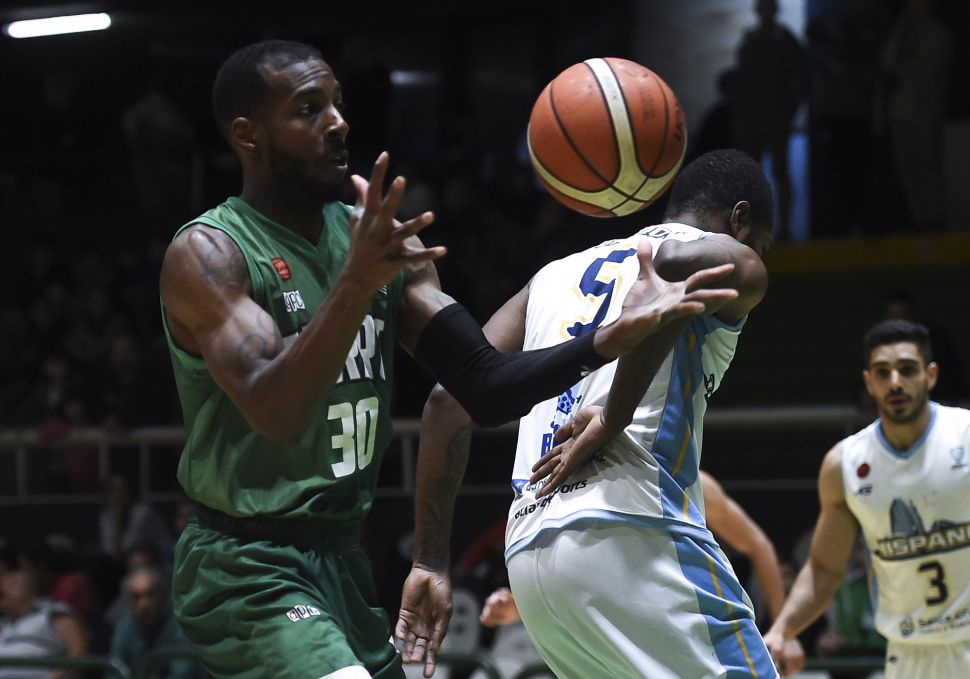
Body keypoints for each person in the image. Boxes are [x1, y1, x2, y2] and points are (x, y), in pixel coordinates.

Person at [159, 39, 736, 679]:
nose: (338, 122)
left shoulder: (375, 242)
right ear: (248, 135)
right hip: (245, 562)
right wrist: (355, 284)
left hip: (342, 558)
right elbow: (275, 411)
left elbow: (481, 386)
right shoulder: (211, 254)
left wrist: (607, 340)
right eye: (308, 109)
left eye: (338, 103)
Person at [400, 149, 786, 678]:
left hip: (531, 558)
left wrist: (428, 560)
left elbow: (448, 400)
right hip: (634, 525)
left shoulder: (551, 277)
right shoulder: (714, 256)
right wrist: (613, 414)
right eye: (761, 244)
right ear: (740, 220)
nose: (756, 256)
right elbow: (679, 263)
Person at [764, 319, 970, 677]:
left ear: (931, 375)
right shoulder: (844, 464)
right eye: (883, 372)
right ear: (869, 382)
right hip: (908, 653)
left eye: (908, 370)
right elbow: (825, 569)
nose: (895, 382)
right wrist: (782, 629)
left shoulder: (965, 435)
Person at [731, 0, 805, 242]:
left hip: (774, 115)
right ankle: (752, 230)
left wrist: (789, 112)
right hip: (754, 116)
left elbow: (799, 79)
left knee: (779, 172)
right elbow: (741, 77)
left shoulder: (783, 40)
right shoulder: (752, 38)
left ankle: (782, 229)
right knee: (754, 175)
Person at [108, 567, 196, 679]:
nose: (143, 604)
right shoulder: (124, 628)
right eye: (136, 597)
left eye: (150, 595)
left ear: (163, 595)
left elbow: (183, 673)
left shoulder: (180, 625)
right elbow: (114, 672)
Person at [0, 570, 88, 679]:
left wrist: (56, 677)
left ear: (25, 588)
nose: (3, 592)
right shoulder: (5, 623)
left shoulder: (51, 612)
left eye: (9, 587)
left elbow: (78, 652)